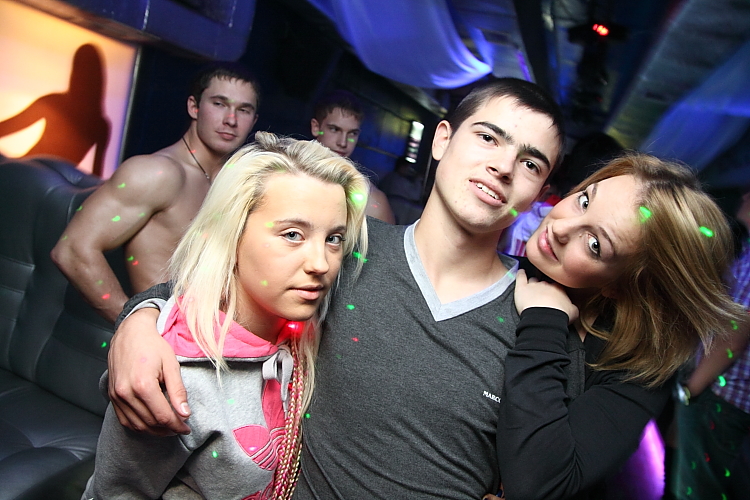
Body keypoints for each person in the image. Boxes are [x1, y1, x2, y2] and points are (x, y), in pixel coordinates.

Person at [104, 78, 565, 499]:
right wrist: (140, 321)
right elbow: (215, 287)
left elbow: (552, 462)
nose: (503, 166)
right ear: (442, 139)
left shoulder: (540, 317)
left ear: (542, 190)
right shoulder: (347, 251)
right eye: (488, 138)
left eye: (530, 163)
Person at [82, 132, 369, 500]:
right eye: (293, 234)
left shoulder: (314, 332)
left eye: (333, 239)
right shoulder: (175, 375)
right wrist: (139, 318)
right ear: (232, 235)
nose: (321, 264)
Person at [494, 153, 747, 500]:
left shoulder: (637, 368)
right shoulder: (493, 273)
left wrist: (544, 319)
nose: (560, 228)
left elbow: (537, 481)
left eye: (595, 245)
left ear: (621, 285)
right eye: (584, 201)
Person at [51, 63, 260, 323]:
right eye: (219, 104)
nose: (231, 119)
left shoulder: (235, 184)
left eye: (243, 110)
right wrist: (136, 326)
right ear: (193, 107)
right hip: (164, 336)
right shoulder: (158, 173)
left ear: (254, 120)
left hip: (213, 337)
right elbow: (72, 250)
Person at [670, 189, 750, 500]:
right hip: (721, 393)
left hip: (721, 395)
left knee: (696, 489)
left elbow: (735, 335)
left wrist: (691, 389)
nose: (745, 195)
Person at [0, 43, 111, 176]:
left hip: (26, 174)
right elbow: (96, 177)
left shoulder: (55, 103)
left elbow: (7, 127)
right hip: (31, 176)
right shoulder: (100, 126)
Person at [310, 89, 395, 223]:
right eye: (334, 129)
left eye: (352, 133)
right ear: (316, 128)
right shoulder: (287, 176)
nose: (343, 142)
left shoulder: (371, 199)